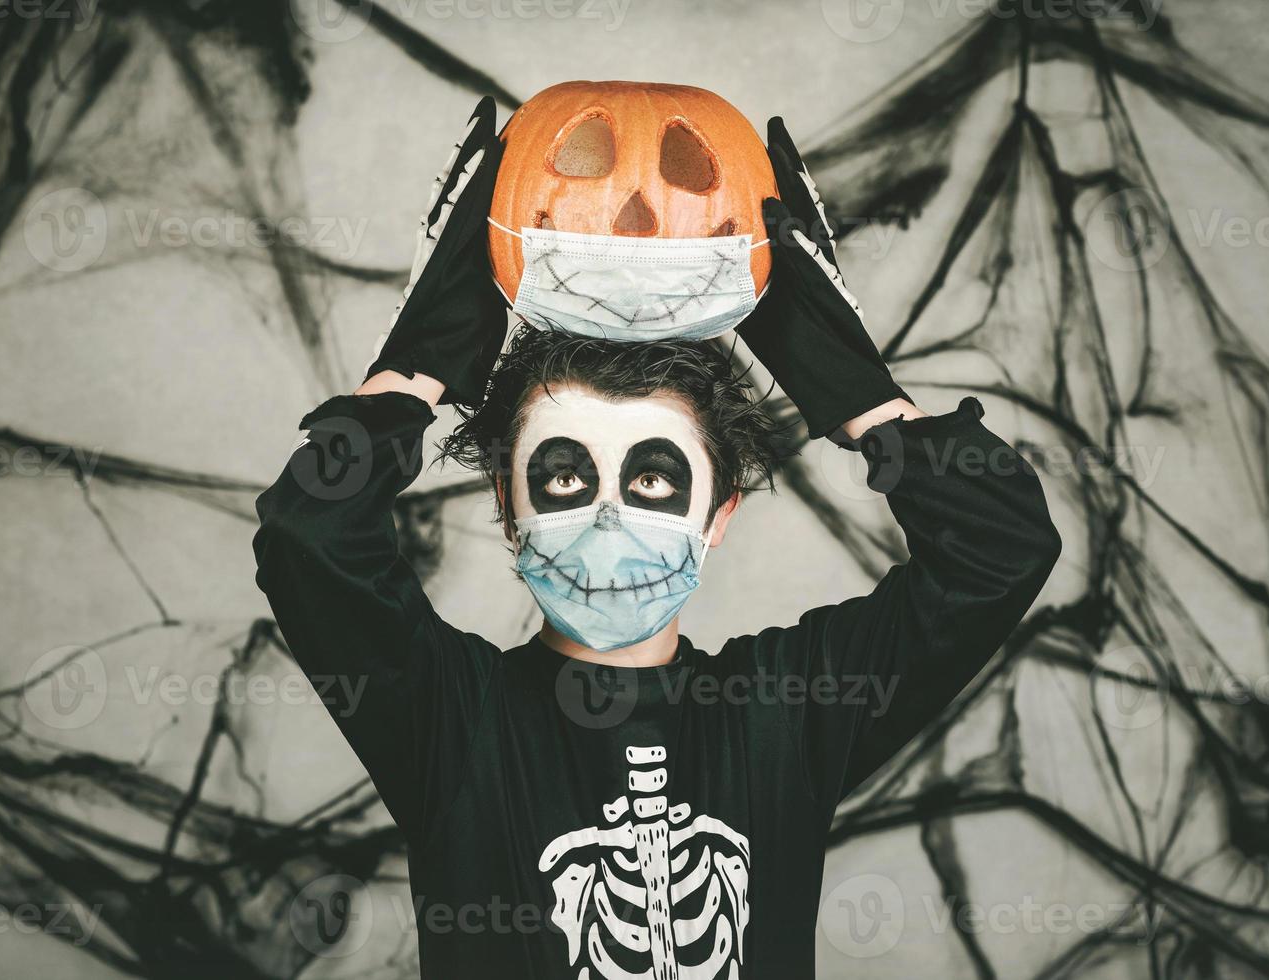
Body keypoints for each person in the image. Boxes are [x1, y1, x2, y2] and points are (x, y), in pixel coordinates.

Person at [253, 98, 1061, 979]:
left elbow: (1002, 550)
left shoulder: (791, 713)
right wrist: (413, 375)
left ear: (719, 514)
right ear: (506, 503)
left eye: (652, 479)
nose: (607, 517)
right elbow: (307, 537)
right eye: (564, 477)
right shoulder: (450, 717)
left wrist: (860, 399)